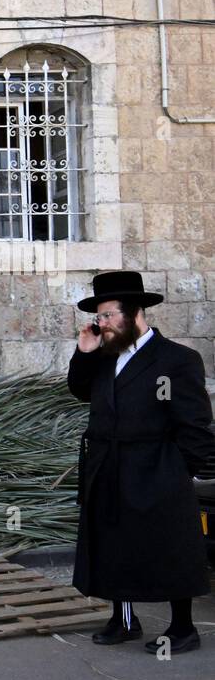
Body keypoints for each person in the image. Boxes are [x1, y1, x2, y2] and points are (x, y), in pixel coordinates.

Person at [68, 270, 215, 654]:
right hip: (107, 463)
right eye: (98, 317)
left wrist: (187, 470)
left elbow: (194, 421)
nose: (101, 324)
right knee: (113, 543)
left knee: (169, 545)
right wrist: (83, 352)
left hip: (156, 466)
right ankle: (124, 619)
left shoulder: (177, 360)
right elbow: (80, 392)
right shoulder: (102, 357)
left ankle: (182, 628)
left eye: (108, 315)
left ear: (135, 313)